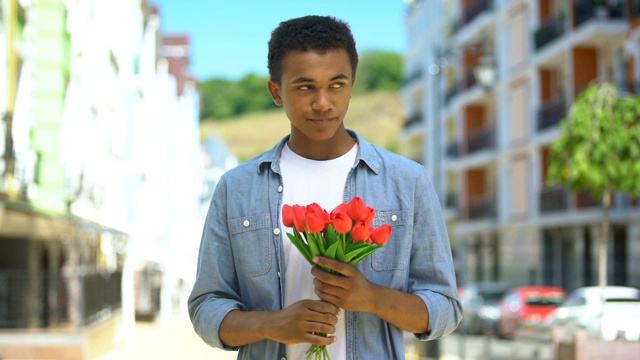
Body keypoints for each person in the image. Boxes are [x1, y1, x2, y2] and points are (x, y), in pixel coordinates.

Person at [188, 15, 461, 359]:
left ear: (352, 84)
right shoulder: (236, 188)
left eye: (337, 84)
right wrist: (272, 324)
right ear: (276, 91)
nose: (323, 103)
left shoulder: (408, 182)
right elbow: (205, 307)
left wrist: (371, 298)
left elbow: (445, 309)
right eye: (305, 87)